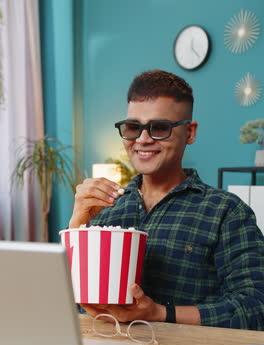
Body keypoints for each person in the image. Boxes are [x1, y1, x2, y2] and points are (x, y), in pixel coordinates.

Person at [69, 70, 264, 329]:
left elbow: (255, 307)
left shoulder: (227, 211)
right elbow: (69, 302)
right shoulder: (102, 211)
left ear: (190, 133)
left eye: (159, 127)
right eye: (133, 127)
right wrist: (76, 228)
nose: (143, 139)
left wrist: (160, 313)